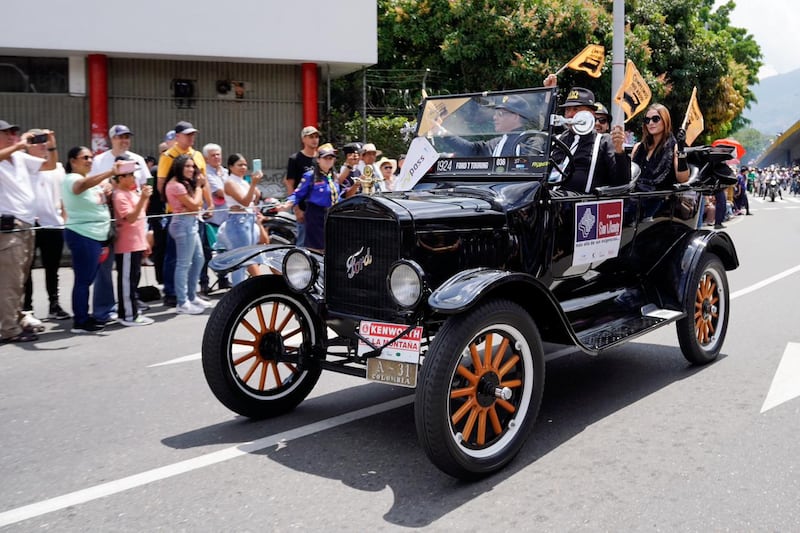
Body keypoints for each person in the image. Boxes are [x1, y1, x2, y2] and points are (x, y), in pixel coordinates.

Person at [0, 121, 58, 343]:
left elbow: (49, 165)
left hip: (26, 225)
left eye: (13, 133)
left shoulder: (20, 158)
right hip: (9, 227)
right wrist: (19, 145)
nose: (12, 136)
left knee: (21, 278)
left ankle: (14, 319)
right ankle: (9, 329)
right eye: (6, 133)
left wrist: (51, 144)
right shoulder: (9, 155)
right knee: (10, 280)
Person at [90, 124, 153, 324]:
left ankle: (129, 305)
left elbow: (146, 187)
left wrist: (142, 214)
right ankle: (105, 309)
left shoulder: (138, 160)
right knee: (106, 269)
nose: (124, 140)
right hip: (106, 219)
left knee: (131, 270)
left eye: (127, 136)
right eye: (120, 137)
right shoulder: (100, 160)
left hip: (132, 217)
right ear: (112, 139)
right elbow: (93, 184)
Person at [62, 146, 119, 333]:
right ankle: (81, 320)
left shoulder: (90, 180)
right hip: (83, 235)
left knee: (88, 278)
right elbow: (80, 187)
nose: (89, 160)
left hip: (97, 235)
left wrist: (108, 185)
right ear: (73, 161)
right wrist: (110, 172)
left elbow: (97, 195)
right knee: (83, 280)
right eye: (84, 157)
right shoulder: (72, 178)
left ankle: (86, 316)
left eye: (91, 157)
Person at [156, 121, 211, 307]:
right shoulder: (168, 156)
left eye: (192, 134)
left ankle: (190, 294)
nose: (191, 137)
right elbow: (161, 183)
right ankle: (173, 293)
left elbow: (203, 181)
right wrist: (175, 201)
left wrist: (209, 203)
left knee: (197, 257)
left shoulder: (197, 155)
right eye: (187, 134)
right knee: (177, 258)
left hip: (195, 213)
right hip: (178, 213)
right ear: (177, 136)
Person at [22, 130, 70, 323]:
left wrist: (64, 218)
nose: (41, 144)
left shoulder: (56, 166)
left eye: (44, 141)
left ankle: (54, 305)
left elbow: (63, 195)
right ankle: (27, 308)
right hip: (30, 224)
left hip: (53, 223)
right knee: (26, 269)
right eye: (36, 141)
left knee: (53, 268)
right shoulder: (24, 164)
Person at [551, 87, 631, 194]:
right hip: (550, 200)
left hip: (580, 203)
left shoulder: (604, 141)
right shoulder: (560, 139)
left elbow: (622, 182)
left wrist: (619, 151)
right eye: (567, 109)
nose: (570, 114)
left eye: (575, 109)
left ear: (591, 114)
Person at [164, 154, 211, 315]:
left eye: (192, 166)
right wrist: (198, 186)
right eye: (187, 166)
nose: (191, 169)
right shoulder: (176, 185)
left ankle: (191, 296)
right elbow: (194, 205)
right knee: (184, 264)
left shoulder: (183, 183)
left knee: (199, 259)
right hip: (183, 224)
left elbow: (195, 205)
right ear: (178, 167)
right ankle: (182, 302)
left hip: (190, 223)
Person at [112, 157, 154, 326]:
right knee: (127, 281)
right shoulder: (119, 195)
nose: (133, 178)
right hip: (126, 244)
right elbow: (130, 218)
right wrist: (143, 198)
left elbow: (141, 216)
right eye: (129, 175)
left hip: (136, 242)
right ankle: (128, 315)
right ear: (121, 178)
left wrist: (145, 242)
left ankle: (131, 311)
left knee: (133, 279)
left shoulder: (131, 192)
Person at [432, 96, 543, 158]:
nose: (494, 118)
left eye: (500, 114)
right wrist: (440, 131)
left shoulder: (531, 139)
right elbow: (473, 150)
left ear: (515, 117)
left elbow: (528, 170)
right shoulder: (498, 143)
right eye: (494, 114)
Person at [281, 143, 342, 253]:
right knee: (316, 249)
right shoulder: (310, 175)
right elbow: (298, 194)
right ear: (318, 160)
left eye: (331, 158)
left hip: (331, 215)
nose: (329, 160)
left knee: (331, 248)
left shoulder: (334, 177)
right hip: (316, 215)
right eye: (325, 158)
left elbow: (337, 196)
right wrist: (288, 203)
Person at [217, 153, 264, 285]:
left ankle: (246, 289)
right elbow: (245, 201)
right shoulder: (230, 182)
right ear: (231, 167)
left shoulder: (243, 181)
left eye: (245, 164)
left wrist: (254, 187)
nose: (243, 167)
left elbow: (253, 200)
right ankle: (239, 291)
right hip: (238, 221)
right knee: (240, 260)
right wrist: (253, 185)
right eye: (239, 165)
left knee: (248, 256)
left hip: (248, 219)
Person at [630, 104, 690, 192]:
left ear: (665, 121)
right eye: (647, 120)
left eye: (655, 119)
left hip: (661, 200)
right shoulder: (638, 147)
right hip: (635, 199)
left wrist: (681, 150)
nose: (650, 123)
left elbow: (683, 179)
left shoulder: (674, 147)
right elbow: (629, 177)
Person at [200, 143, 230, 294]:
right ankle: (204, 282)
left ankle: (223, 279)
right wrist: (236, 193)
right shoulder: (206, 173)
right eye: (213, 155)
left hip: (226, 218)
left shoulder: (225, 172)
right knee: (206, 253)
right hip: (210, 219)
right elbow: (220, 192)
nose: (217, 157)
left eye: (218, 154)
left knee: (224, 251)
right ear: (206, 158)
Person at [284, 126, 320, 247]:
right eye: (311, 137)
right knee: (303, 245)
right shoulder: (295, 159)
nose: (314, 140)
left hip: (320, 210)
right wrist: (297, 209)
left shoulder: (321, 158)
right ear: (303, 139)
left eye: (316, 136)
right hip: (304, 209)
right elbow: (290, 184)